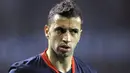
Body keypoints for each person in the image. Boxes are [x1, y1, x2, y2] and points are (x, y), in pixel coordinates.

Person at [8, 0, 97, 73]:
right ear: (47, 31)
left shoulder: (88, 71)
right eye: (60, 30)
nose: (66, 38)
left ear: (80, 35)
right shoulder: (23, 71)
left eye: (73, 31)